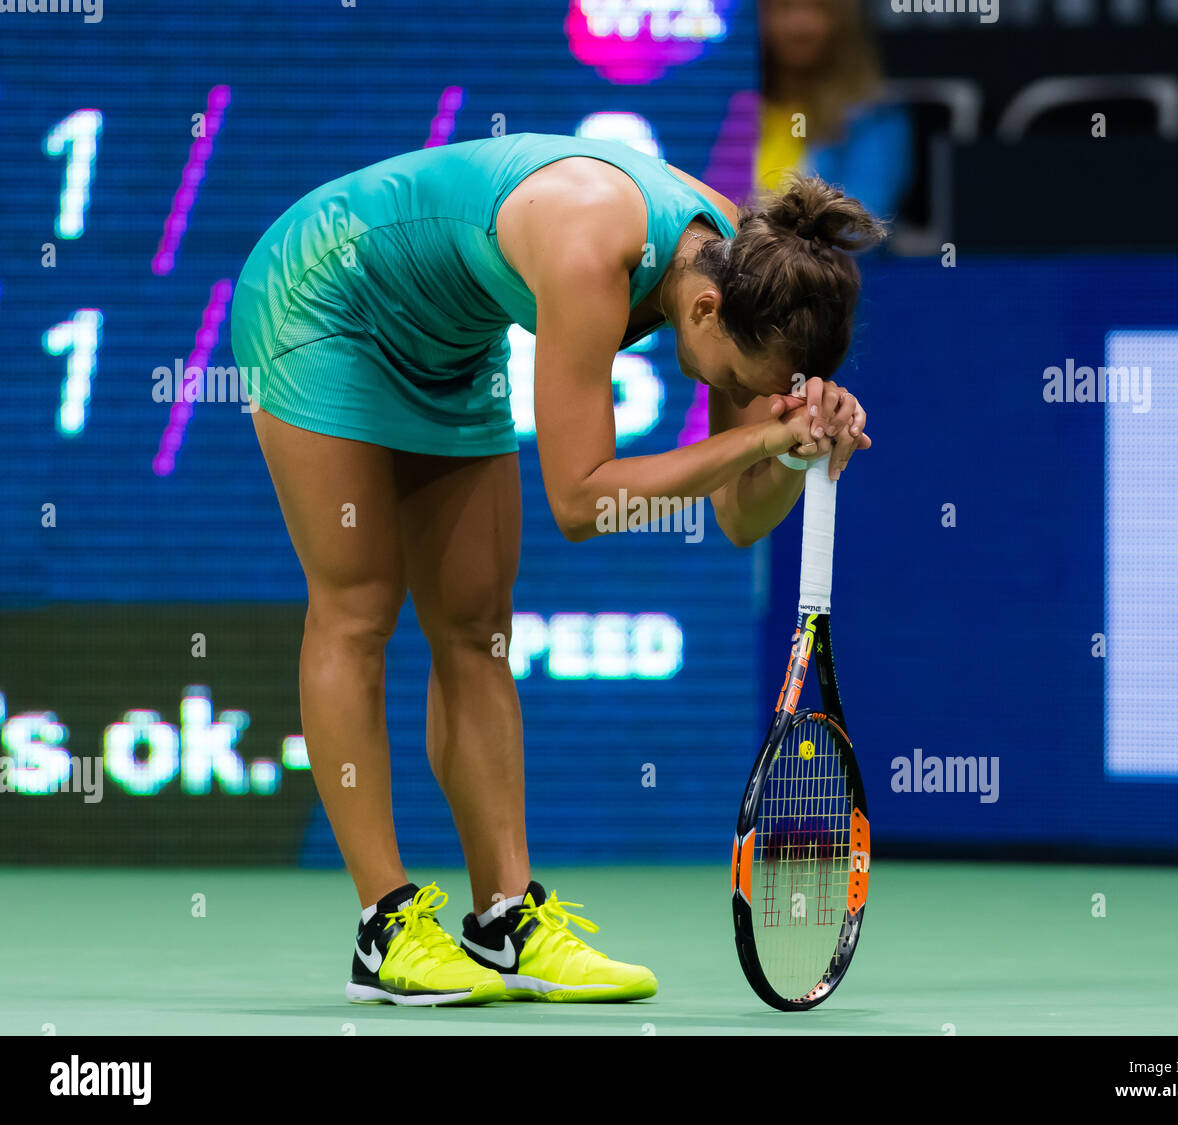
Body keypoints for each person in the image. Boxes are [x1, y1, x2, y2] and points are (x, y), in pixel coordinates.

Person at [230, 131, 880, 1006]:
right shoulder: (590, 252)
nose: (743, 391)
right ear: (703, 313)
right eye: (739, 376)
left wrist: (795, 453)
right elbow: (581, 503)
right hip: (325, 299)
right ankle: (382, 927)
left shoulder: (747, 274)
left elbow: (737, 515)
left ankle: (504, 919)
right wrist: (764, 435)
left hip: (448, 341)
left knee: (474, 622)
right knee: (359, 603)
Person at [759, 0, 912, 220]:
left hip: (819, 253)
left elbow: (863, 221)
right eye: (785, 8)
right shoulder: (726, 109)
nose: (799, 24)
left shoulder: (873, 116)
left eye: (817, 9)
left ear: (842, 21)